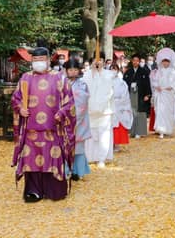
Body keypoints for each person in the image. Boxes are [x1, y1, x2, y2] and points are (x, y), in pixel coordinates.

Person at [11, 47, 76, 202]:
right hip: (31, 130)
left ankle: (54, 191)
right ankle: (33, 192)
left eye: (41, 60)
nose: (38, 63)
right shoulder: (25, 78)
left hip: (52, 129)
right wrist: (20, 109)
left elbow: (70, 102)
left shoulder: (59, 78)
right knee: (30, 160)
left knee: (52, 158)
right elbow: (16, 98)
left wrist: (61, 113)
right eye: (35, 60)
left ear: (48, 60)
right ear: (31, 61)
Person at [83, 57, 115, 168]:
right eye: (95, 61)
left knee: (104, 135)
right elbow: (85, 87)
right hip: (90, 110)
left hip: (104, 110)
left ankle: (102, 158)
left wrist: (100, 71)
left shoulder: (108, 74)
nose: (98, 63)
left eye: (100, 60)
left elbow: (109, 87)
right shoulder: (86, 74)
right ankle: (90, 156)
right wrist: (93, 71)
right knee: (91, 135)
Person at [64, 59, 92, 181]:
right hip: (63, 119)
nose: (73, 72)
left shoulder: (82, 84)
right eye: (70, 70)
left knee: (79, 148)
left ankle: (78, 171)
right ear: (66, 71)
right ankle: (65, 170)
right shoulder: (60, 83)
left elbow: (83, 100)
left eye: (75, 69)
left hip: (79, 120)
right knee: (64, 147)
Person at [150, 48, 175, 138]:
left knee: (168, 112)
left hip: (169, 94)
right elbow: (154, 81)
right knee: (160, 111)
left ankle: (168, 129)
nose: (165, 63)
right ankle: (161, 130)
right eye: (163, 62)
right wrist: (157, 87)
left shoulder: (172, 71)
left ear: (169, 62)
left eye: (167, 62)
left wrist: (172, 87)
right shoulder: (159, 71)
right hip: (161, 93)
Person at [123, 53, 152, 138]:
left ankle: (141, 131)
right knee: (132, 111)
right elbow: (124, 83)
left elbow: (147, 83)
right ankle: (133, 131)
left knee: (140, 111)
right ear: (132, 61)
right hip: (131, 93)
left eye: (137, 61)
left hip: (141, 93)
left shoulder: (144, 71)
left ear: (139, 62)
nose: (135, 62)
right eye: (134, 60)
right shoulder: (128, 72)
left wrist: (148, 94)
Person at [111, 63, 133, 151]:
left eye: (115, 69)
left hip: (119, 105)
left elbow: (125, 95)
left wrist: (119, 103)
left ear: (118, 70)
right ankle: (110, 144)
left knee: (118, 125)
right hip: (109, 105)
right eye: (111, 69)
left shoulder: (122, 83)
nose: (113, 71)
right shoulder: (105, 81)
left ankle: (117, 144)